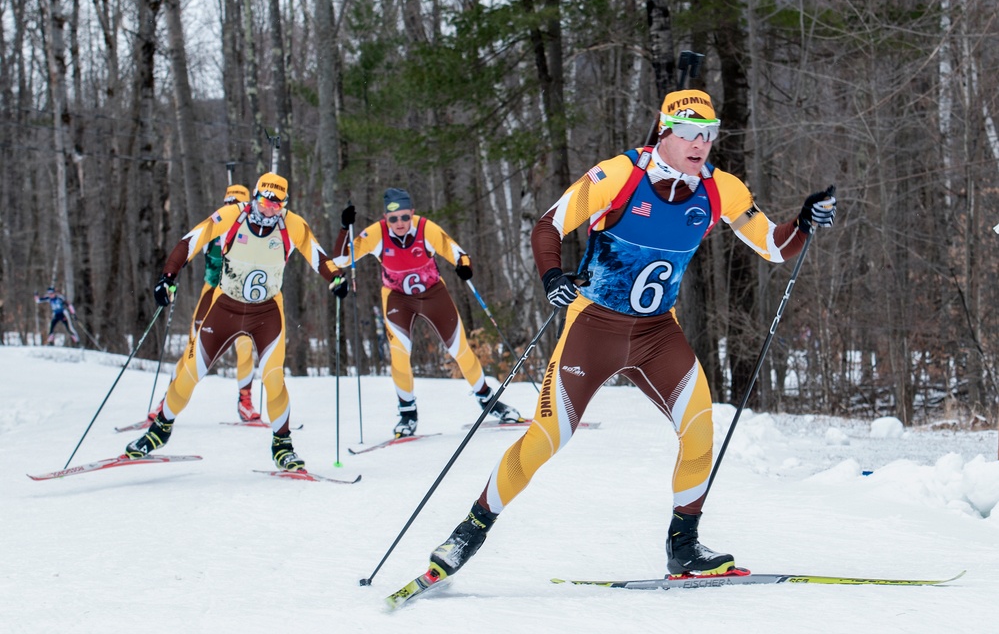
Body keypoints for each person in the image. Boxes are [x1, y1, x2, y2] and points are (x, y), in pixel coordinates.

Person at [417, 89, 837, 583]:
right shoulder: (619, 175)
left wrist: (803, 223)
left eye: (708, 134)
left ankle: (684, 545)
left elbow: (771, 245)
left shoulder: (721, 189)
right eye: (688, 134)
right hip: (593, 325)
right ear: (665, 133)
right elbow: (548, 226)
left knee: (700, 430)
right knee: (548, 436)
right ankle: (470, 529)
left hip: (658, 332)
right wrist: (553, 277)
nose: (700, 144)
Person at [125, 172, 349, 470]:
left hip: (267, 312)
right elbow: (191, 241)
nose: (270, 209)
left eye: (277, 204)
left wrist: (335, 278)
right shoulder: (233, 214)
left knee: (274, 378)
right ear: (255, 197)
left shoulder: (291, 224)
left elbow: (318, 256)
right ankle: (159, 430)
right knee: (190, 372)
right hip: (226, 306)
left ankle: (283, 444)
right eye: (266, 201)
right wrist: (168, 276)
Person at [335, 188, 525, 439]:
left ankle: (488, 400)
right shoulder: (376, 233)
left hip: (433, 293)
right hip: (397, 298)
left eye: (404, 217)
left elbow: (457, 252)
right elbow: (340, 260)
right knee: (400, 355)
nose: (399, 224)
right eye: (393, 219)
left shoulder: (426, 228)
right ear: (385, 218)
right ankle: (407, 413)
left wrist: (464, 267)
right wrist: (343, 228)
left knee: (460, 349)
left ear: (412, 213)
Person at [146, 184, 261, 425]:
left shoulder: (254, 231)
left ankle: (245, 400)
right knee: (192, 348)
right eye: (229, 204)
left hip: (239, 298)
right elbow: (190, 246)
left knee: (244, 347)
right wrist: (171, 277)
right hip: (211, 295)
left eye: (237, 205)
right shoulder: (214, 226)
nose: (233, 210)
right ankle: (167, 400)